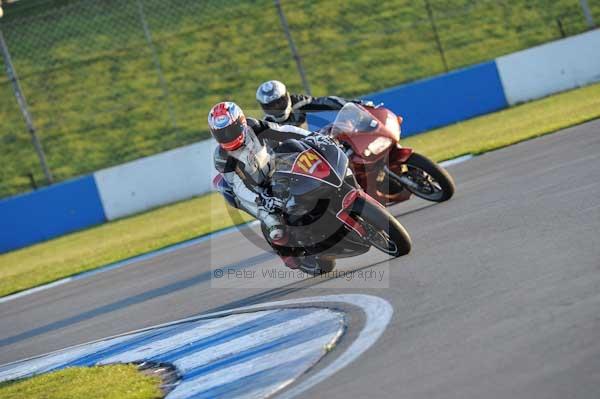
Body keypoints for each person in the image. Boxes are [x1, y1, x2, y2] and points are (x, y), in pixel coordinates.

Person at [208, 101, 312, 269]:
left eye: (230, 130)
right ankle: (285, 253)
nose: (228, 136)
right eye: (222, 134)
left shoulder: (253, 126)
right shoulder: (222, 157)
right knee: (274, 225)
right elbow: (239, 187)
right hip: (253, 190)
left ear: (241, 122)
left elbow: (283, 131)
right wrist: (260, 199)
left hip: (275, 168)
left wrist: (310, 136)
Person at [256, 80, 375, 127]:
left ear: (286, 96)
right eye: (270, 106)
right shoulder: (267, 124)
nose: (276, 108)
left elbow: (327, 102)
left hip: (313, 147)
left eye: (278, 102)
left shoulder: (297, 102)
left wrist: (358, 104)